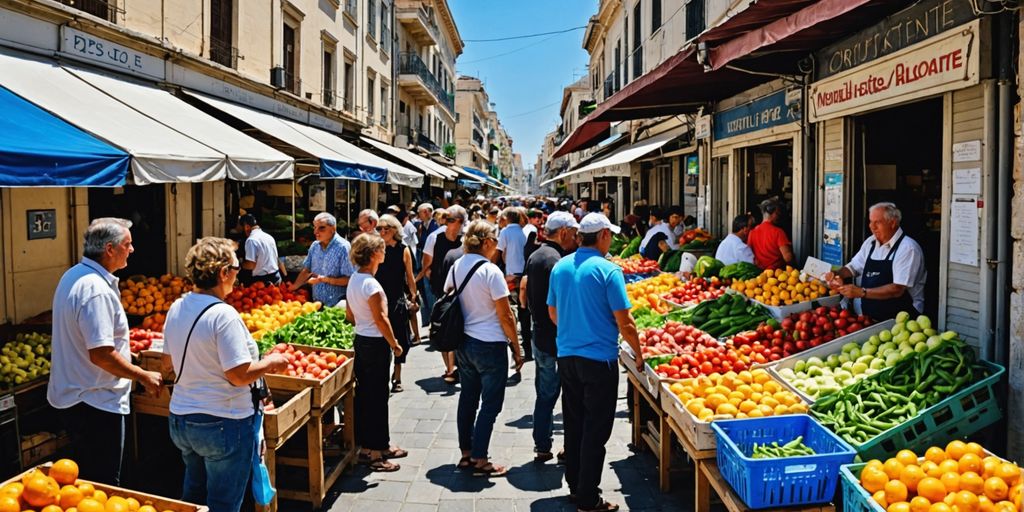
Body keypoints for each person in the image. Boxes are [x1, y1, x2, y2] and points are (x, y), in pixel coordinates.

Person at [163, 237, 290, 510]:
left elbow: (166, 365)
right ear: (223, 273)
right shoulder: (224, 314)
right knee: (223, 503)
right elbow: (239, 374)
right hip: (222, 421)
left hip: (182, 420)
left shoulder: (176, 307)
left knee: (194, 498)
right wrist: (271, 362)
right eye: (236, 268)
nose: (238, 275)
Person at [48, 218, 163, 485]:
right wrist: (142, 375)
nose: (132, 250)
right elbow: (100, 354)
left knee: (82, 482)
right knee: (102, 484)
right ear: (110, 249)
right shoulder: (96, 290)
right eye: (128, 244)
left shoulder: (73, 275)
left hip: (77, 396)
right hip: (94, 401)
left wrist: (127, 356)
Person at [547, 213, 643, 512]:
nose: (611, 239)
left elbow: (552, 311)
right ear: (602, 235)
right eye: (609, 234)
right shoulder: (609, 271)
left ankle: (575, 484)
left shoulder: (561, 266)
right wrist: (639, 353)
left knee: (574, 423)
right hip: (599, 360)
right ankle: (588, 497)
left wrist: (573, 330)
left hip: (567, 357)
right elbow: (625, 322)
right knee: (596, 430)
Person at [446, 220, 524, 478]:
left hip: (464, 342)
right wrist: (516, 346)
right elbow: (505, 316)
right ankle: (481, 457)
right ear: (488, 242)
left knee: (468, 398)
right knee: (491, 403)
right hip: (490, 344)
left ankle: (466, 454)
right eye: (495, 241)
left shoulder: (457, 266)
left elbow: (448, 294)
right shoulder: (491, 272)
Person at [345, 234, 408, 471]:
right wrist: (395, 343)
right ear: (373, 254)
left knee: (370, 395)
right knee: (376, 398)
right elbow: (381, 319)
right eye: (381, 249)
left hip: (361, 340)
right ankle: (374, 454)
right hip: (375, 343)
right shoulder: (371, 284)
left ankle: (381, 444)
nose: (385, 253)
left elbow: (349, 315)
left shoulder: (355, 279)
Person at [520, 212, 578, 464]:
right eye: (574, 234)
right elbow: (560, 306)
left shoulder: (536, 255)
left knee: (544, 394)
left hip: (540, 336)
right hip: (557, 338)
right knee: (568, 395)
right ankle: (568, 446)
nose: (576, 239)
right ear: (563, 232)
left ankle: (542, 445)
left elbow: (525, 289)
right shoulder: (557, 261)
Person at [825, 202, 927, 320]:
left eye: (877, 222)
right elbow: (854, 266)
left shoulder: (908, 249)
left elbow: (897, 289)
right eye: (870, 221)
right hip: (871, 318)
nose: (872, 227)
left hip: (901, 320)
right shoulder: (871, 242)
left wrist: (862, 292)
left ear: (892, 223)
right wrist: (837, 274)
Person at [421, 205, 466, 383]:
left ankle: (457, 366)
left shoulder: (465, 240)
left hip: (461, 289)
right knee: (443, 326)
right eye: (446, 219)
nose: (446, 223)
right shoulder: (434, 238)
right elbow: (426, 266)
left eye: (450, 219)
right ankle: (449, 368)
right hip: (441, 289)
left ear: (460, 222)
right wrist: (437, 282)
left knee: (459, 325)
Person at [376, 214, 418, 392]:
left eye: (386, 228)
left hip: (397, 298)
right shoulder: (376, 248)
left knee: (401, 338)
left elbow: (409, 275)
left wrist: (414, 295)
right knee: (381, 338)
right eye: (379, 229)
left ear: (395, 230)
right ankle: (384, 374)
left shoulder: (403, 249)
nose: (383, 231)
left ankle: (397, 376)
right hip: (378, 298)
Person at [290, 213, 356, 306]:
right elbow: (306, 270)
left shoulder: (343, 247)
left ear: (333, 229)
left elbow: (349, 279)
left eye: (321, 228)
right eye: (315, 227)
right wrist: (294, 287)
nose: (315, 232)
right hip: (316, 303)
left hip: (337, 305)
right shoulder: (315, 246)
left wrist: (326, 280)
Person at [238, 214, 287, 285]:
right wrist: (285, 277)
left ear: (246, 227)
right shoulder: (269, 237)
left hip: (262, 282)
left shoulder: (251, 240)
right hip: (276, 277)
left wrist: (239, 265)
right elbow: (277, 259)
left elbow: (250, 265)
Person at [747, 198, 795, 270]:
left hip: (759, 274)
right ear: (773, 213)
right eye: (777, 213)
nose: (779, 216)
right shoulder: (778, 232)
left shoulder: (752, 232)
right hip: (776, 275)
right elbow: (788, 257)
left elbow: (749, 254)